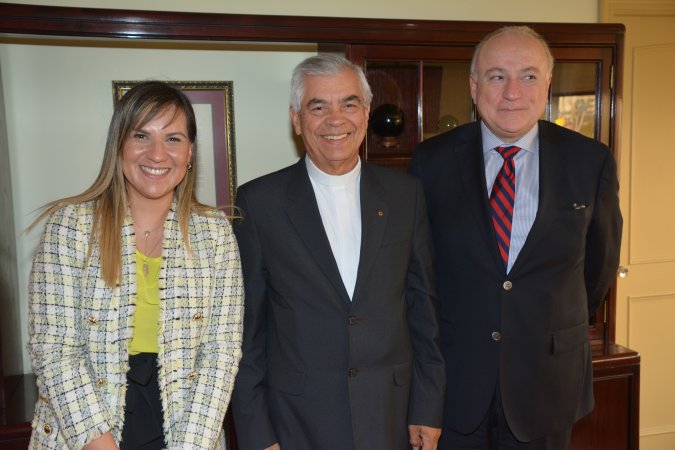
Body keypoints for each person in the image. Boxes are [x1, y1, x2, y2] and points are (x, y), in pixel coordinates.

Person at [409, 26, 622, 450]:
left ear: (547, 84)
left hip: (548, 384)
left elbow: (597, 270)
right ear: (474, 87)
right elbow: (420, 277)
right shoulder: (430, 163)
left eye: (527, 76)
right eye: (496, 76)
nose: (512, 92)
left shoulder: (589, 161)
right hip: (457, 386)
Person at [231, 54, 445, 450]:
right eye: (318, 106)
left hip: (390, 415)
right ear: (297, 119)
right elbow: (246, 332)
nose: (336, 119)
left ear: (365, 113)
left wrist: (428, 406)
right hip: (296, 422)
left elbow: (423, 309)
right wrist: (257, 434)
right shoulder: (259, 203)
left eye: (348, 104)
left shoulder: (405, 195)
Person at [27, 81, 244, 450]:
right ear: (119, 147)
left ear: (190, 151)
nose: (157, 154)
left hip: (186, 429)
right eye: (141, 135)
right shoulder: (71, 227)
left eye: (173, 139)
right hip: (88, 431)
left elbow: (220, 354)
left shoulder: (216, 235)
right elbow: (54, 351)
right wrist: (101, 444)